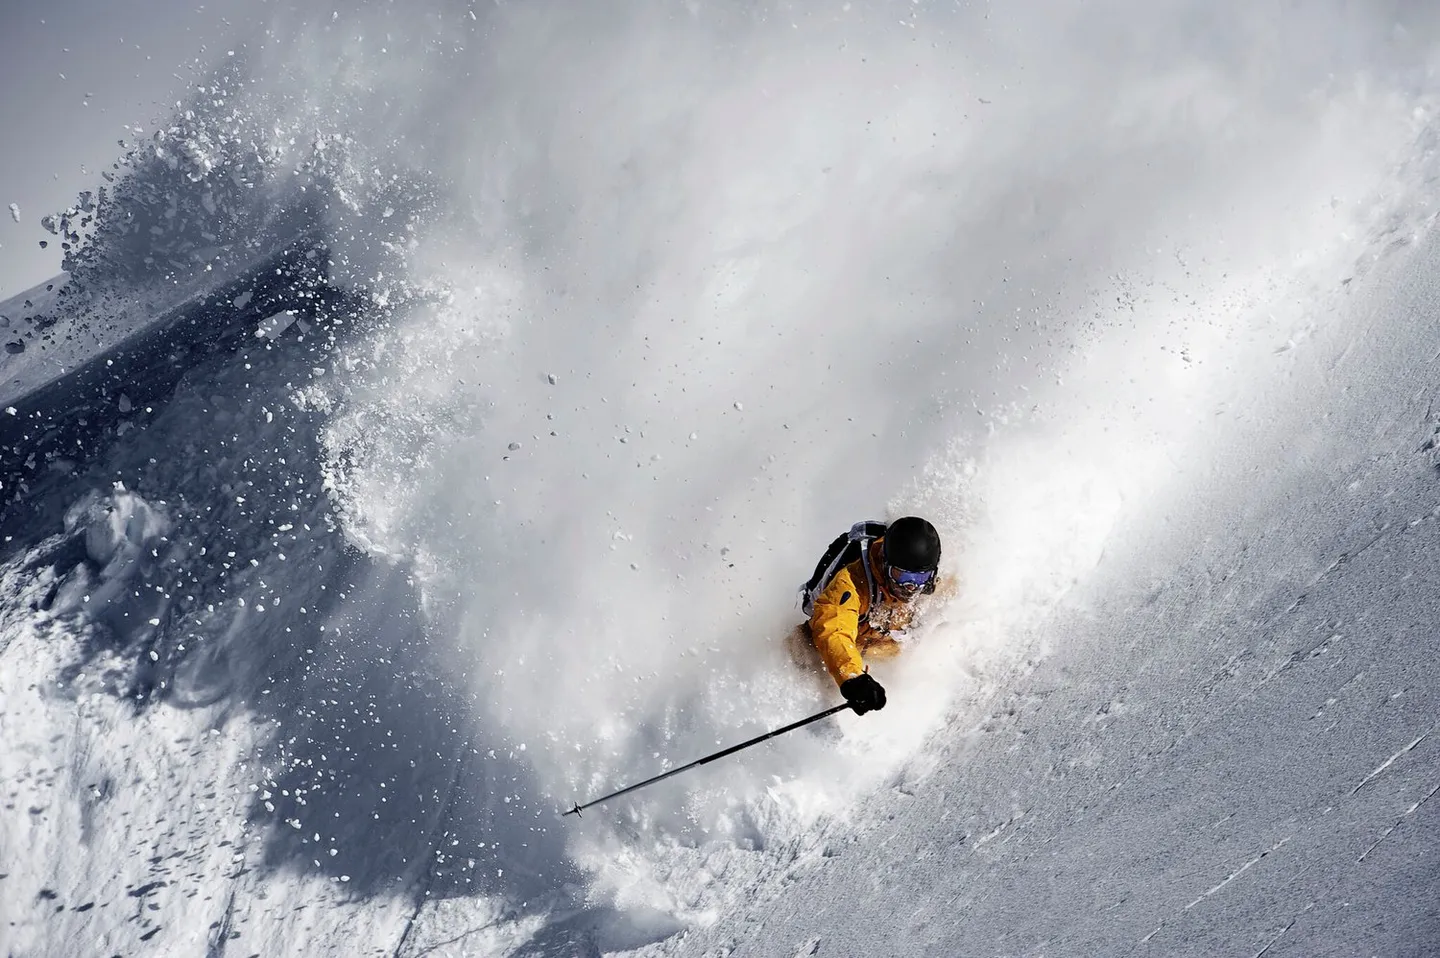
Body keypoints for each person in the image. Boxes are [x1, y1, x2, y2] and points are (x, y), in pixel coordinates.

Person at [799, 516, 943, 715]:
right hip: (836, 652)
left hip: (880, 647)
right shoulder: (851, 583)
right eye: (902, 576)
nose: (911, 587)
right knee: (801, 648)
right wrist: (853, 679)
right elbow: (834, 631)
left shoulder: (930, 584)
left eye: (920, 577)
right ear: (885, 564)